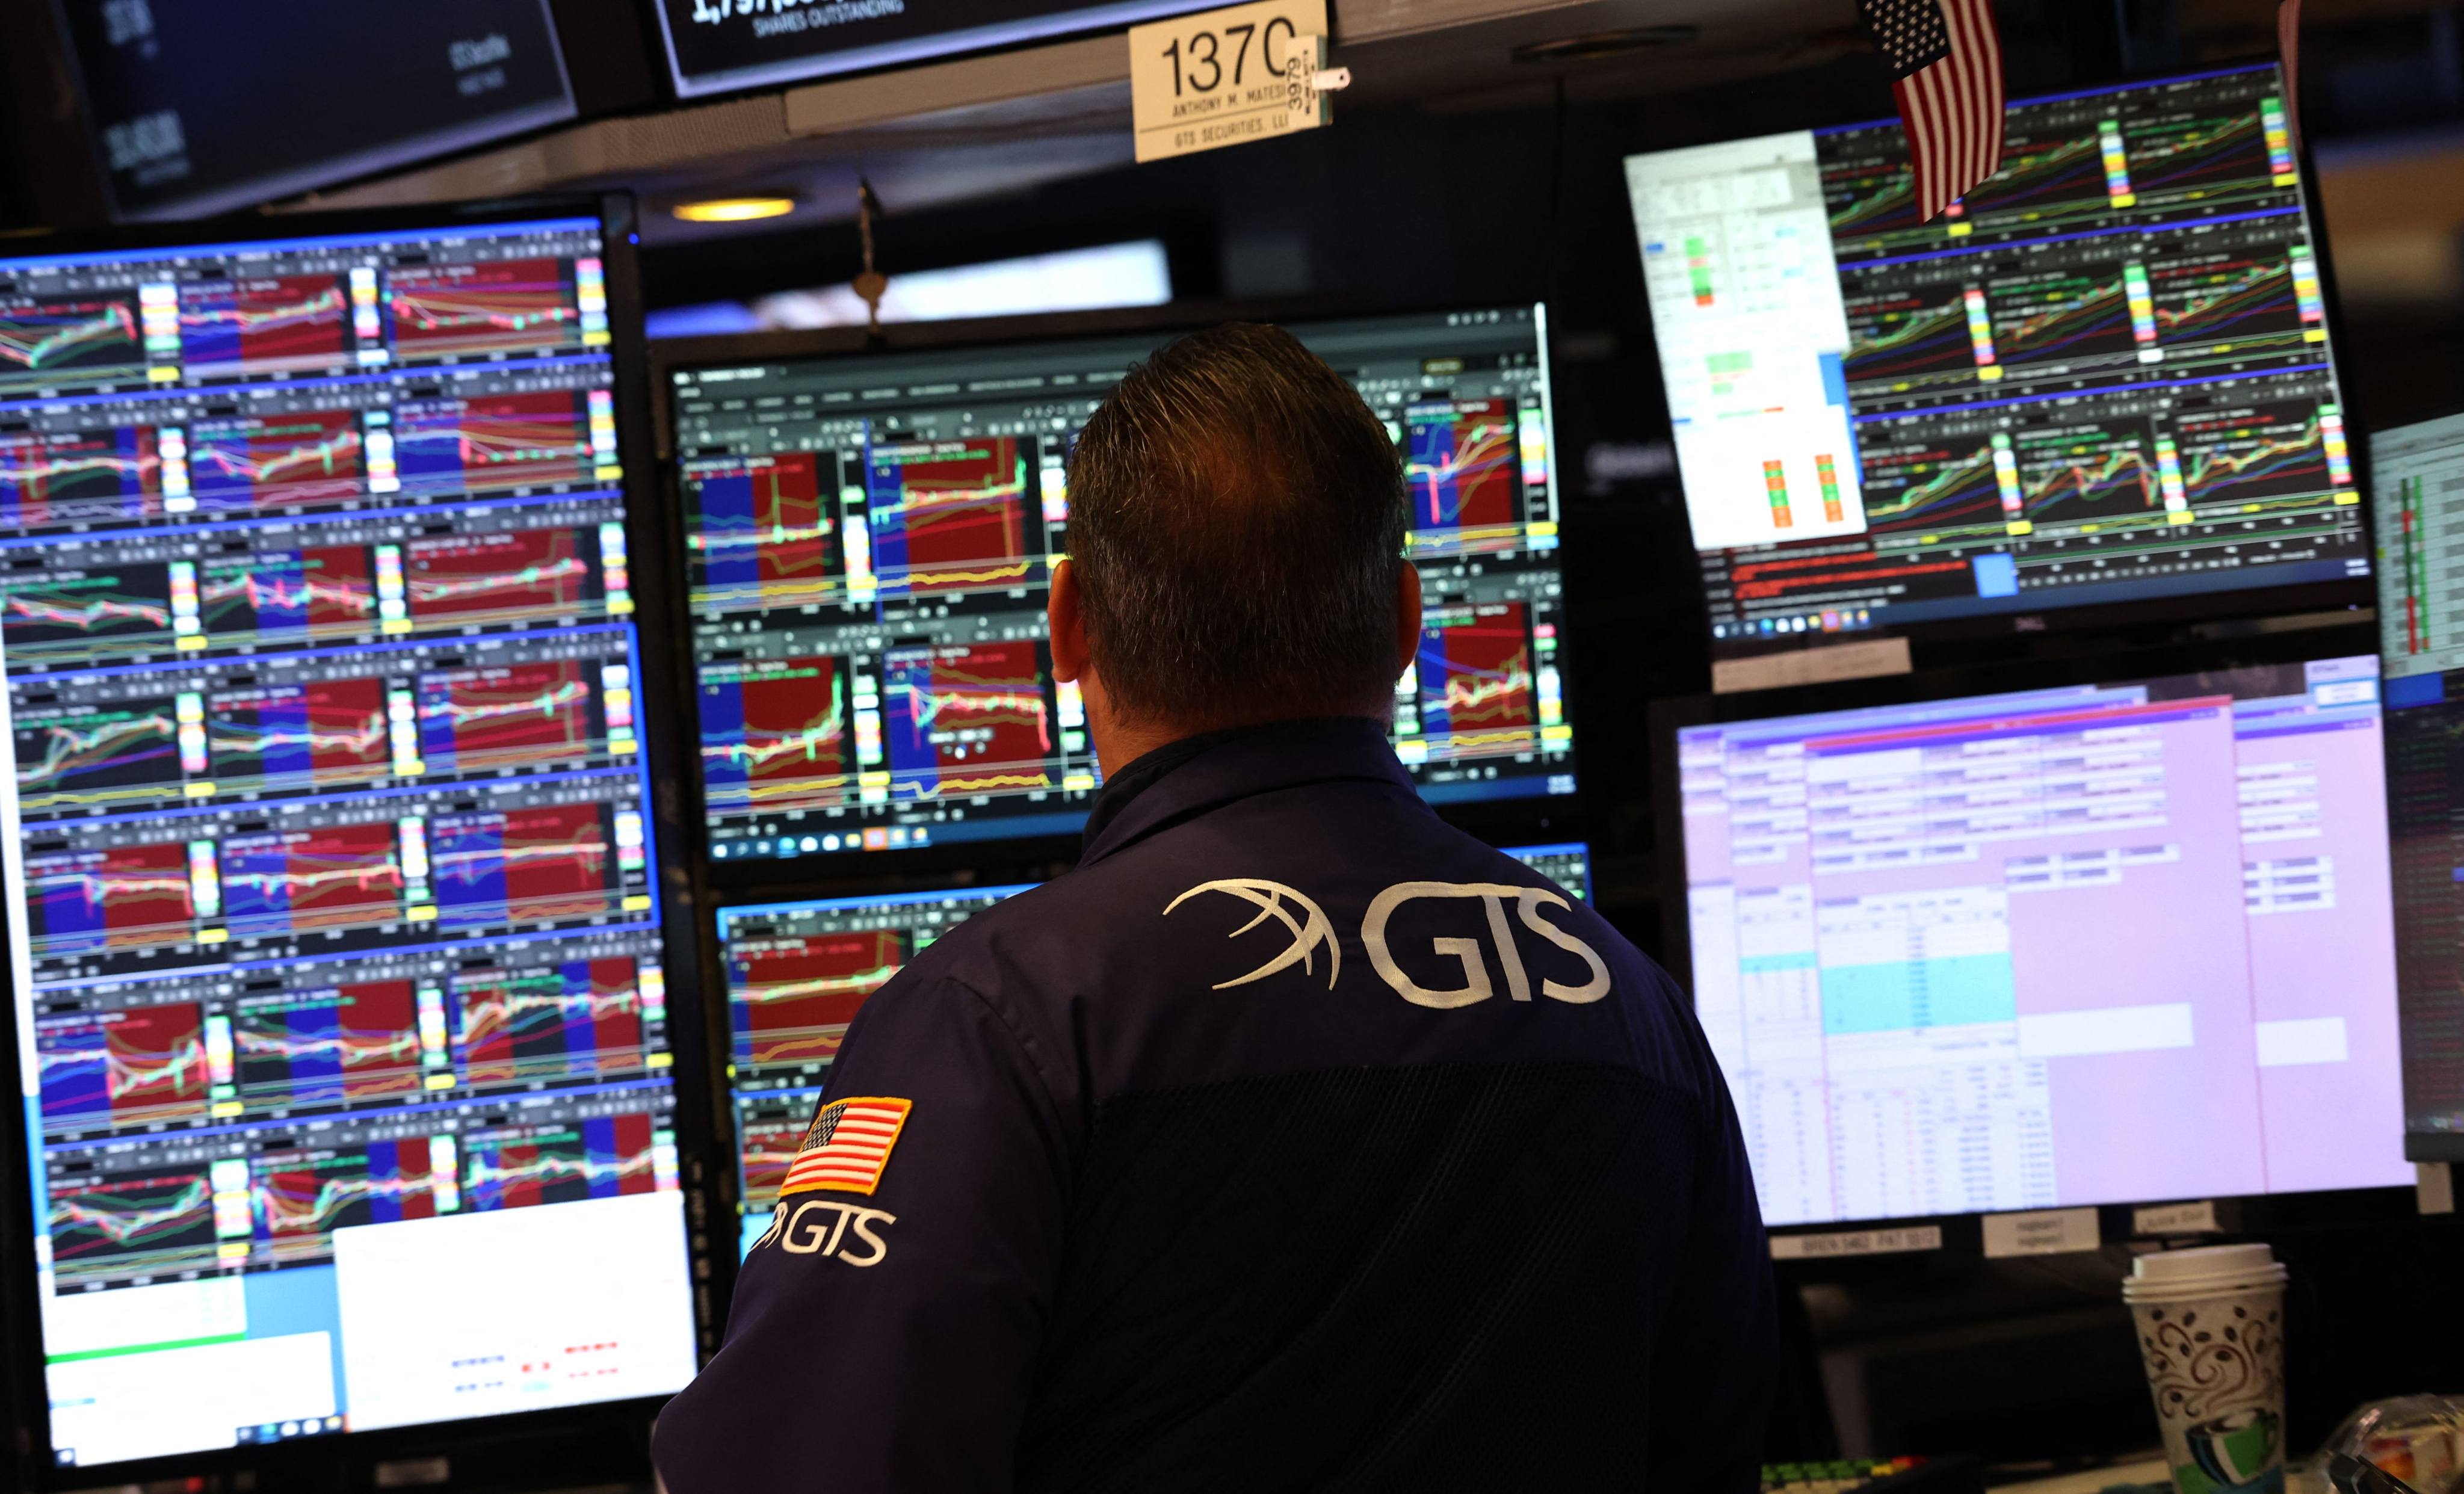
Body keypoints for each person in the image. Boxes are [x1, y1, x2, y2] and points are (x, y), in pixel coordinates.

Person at [651, 323, 1777, 1492]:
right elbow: (1716, 1450)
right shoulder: (1628, 1003)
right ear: (1404, 623)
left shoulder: (993, 1023)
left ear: (1069, 626)